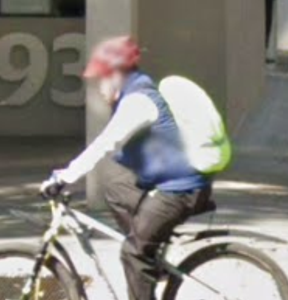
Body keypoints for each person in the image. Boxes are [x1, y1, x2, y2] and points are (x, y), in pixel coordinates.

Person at [41, 37, 214, 300]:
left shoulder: (138, 102)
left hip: (180, 190)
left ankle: (143, 255)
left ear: (117, 75)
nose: (98, 87)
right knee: (115, 187)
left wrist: (65, 176)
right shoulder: (136, 91)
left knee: (132, 252)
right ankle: (150, 252)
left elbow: (104, 143)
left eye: (102, 79)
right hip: (170, 183)